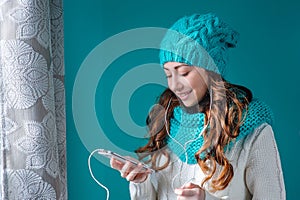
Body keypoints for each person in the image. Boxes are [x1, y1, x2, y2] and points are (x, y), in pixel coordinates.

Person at [110, 13, 286, 199]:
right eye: (168, 75)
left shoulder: (253, 130)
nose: (175, 85)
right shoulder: (166, 125)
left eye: (184, 73)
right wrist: (141, 182)